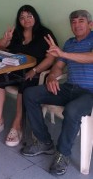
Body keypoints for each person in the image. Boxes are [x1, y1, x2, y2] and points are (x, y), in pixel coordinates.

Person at [21, 10, 93, 176]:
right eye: (73, 22)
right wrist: (52, 77)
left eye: (81, 21)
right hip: (69, 88)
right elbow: (58, 66)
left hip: (89, 92)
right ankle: (44, 141)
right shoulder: (69, 43)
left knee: (73, 110)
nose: (77, 25)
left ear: (90, 24)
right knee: (30, 94)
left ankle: (63, 153)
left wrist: (63, 54)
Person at [0, 5, 57, 147]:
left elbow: (51, 58)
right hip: (16, 70)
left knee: (26, 83)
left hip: (35, 73)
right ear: (19, 20)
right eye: (22, 17)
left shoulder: (45, 34)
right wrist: (6, 39)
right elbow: (0, 46)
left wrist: (35, 70)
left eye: (29, 16)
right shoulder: (17, 34)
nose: (26, 20)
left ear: (35, 17)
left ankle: (17, 125)